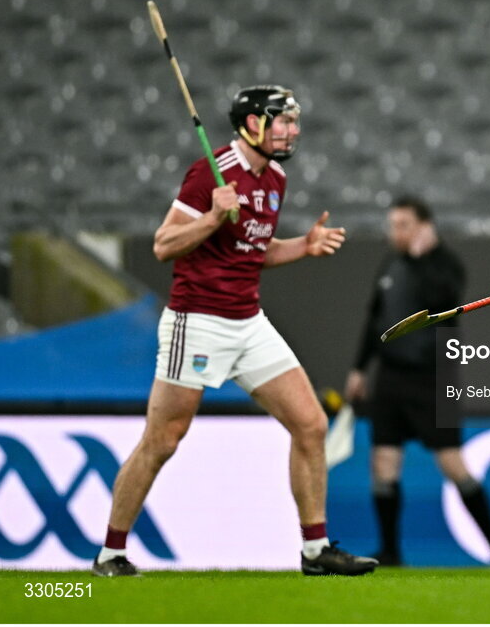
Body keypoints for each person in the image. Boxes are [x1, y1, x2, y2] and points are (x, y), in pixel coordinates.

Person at [93, 85, 377, 577]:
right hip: (196, 320)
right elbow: (164, 246)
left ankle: (315, 550)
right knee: (163, 439)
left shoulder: (276, 178)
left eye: (293, 121)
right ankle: (110, 553)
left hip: (248, 321)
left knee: (310, 424)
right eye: (281, 120)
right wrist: (210, 217)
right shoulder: (210, 173)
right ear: (251, 125)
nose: (292, 130)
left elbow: (255, 252)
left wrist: (303, 247)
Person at [346, 196, 490, 566]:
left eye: (403, 225)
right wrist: (360, 369)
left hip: (432, 379)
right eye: (393, 225)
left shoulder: (444, 265)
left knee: (453, 464)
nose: (396, 233)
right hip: (390, 376)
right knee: (383, 462)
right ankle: (390, 552)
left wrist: (423, 260)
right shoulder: (390, 265)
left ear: (424, 226)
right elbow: (376, 320)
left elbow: (444, 301)